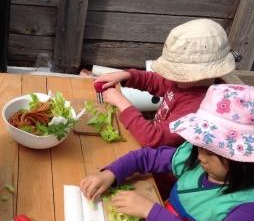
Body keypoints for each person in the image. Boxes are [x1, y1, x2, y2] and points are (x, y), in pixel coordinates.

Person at [80, 83, 254, 221]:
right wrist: (111, 173)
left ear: (244, 161)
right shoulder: (196, 159)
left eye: (212, 152)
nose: (201, 157)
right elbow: (146, 157)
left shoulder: (248, 206)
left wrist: (150, 211)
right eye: (200, 146)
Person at [92, 18, 237, 148]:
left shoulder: (199, 107)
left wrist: (122, 103)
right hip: (151, 149)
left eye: (177, 73)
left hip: (163, 170)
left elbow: (154, 138)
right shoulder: (184, 83)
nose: (171, 77)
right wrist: (126, 75)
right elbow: (155, 80)